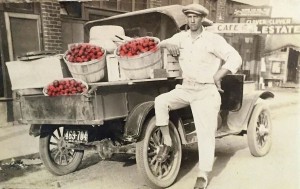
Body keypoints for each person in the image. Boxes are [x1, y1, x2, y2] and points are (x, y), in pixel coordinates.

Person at [154, 3, 242, 189]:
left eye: (196, 17)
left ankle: (203, 174)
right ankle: (167, 141)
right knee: (160, 101)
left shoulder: (213, 40)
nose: (192, 20)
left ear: (202, 19)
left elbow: (235, 57)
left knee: (205, 134)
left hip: (206, 92)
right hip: (186, 88)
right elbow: (159, 44)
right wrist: (168, 43)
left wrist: (219, 74)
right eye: (189, 17)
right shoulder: (181, 37)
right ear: (186, 18)